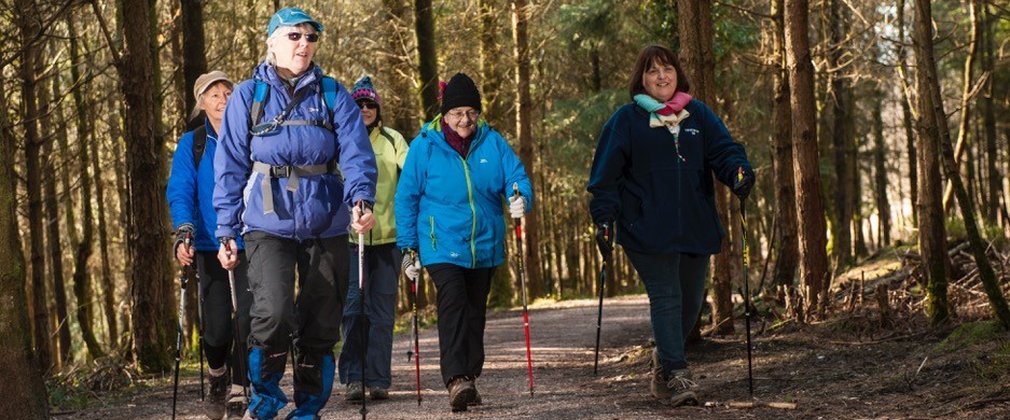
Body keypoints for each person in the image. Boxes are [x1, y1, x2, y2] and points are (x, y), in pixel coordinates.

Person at [212, 7, 377, 420]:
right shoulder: (250, 96)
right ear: (272, 42)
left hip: (327, 220)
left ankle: (307, 412)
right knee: (272, 314)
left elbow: (356, 153)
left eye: (311, 37)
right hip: (267, 224)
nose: (304, 44)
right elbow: (230, 166)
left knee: (322, 320)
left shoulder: (333, 93)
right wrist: (225, 230)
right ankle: (264, 401)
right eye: (294, 36)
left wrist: (361, 200)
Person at [587, 44, 754, 407]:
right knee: (667, 296)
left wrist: (738, 172)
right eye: (652, 71)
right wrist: (603, 218)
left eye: (667, 69)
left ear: (677, 73)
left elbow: (725, 152)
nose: (661, 76)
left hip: (694, 224)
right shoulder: (625, 120)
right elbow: (604, 178)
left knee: (691, 302)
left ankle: (664, 361)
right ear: (641, 79)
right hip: (645, 228)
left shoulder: (698, 115)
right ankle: (678, 374)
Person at [395, 72, 533, 413]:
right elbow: (406, 197)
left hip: (484, 243)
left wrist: (520, 198)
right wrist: (408, 247)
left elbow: (516, 177)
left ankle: (469, 374)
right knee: (453, 303)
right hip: (440, 242)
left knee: (475, 311)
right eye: (457, 113)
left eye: (471, 112)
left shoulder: (493, 142)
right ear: (444, 115)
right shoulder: (424, 147)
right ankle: (455, 378)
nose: (465, 119)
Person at [166, 70, 253, 419]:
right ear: (201, 103)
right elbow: (180, 189)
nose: (222, 100)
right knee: (216, 326)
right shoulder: (193, 143)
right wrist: (183, 231)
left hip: (250, 239)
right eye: (214, 94)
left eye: (228, 92)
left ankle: (240, 386)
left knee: (247, 316)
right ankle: (218, 372)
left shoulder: (249, 136)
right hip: (207, 242)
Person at [338, 75, 409, 401]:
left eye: (370, 104)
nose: (365, 109)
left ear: (378, 108)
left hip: (388, 240)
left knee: (381, 313)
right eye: (359, 104)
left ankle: (378, 378)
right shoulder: (340, 139)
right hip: (351, 242)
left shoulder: (392, 140)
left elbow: (408, 181)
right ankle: (354, 377)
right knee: (354, 309)